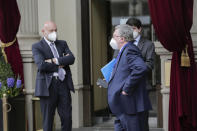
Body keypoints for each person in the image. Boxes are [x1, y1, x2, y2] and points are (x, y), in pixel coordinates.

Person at [32, 21, 75, 131]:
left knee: (67, 117)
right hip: (48, 86)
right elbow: (41, 65)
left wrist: (53, 60)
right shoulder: (37, 46)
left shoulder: (62, 43)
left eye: (55, 30)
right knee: (48, 119)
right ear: (44, 31)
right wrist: (60, 64)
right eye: (51, 31)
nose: (54, 33)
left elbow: (71, 59)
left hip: (63, 84)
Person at [108, 24, 152, 131]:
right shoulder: (122, 50)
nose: (112, 39)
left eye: (114, 36)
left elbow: (141, 68)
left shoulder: (130, 50)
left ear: (122, 39)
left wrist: (126, 88)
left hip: (130, 105)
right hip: (123, 106)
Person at [126, 18, 155, 131]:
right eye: (129, 29)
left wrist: (135, 69)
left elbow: (150, 64)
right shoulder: (123, 43)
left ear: (139, 29)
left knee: (141, 119)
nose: (131, 31)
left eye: (133, 28)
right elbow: (115, 63)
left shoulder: (148, 44)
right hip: (125, 86)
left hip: (142, 86)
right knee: (128, 119)